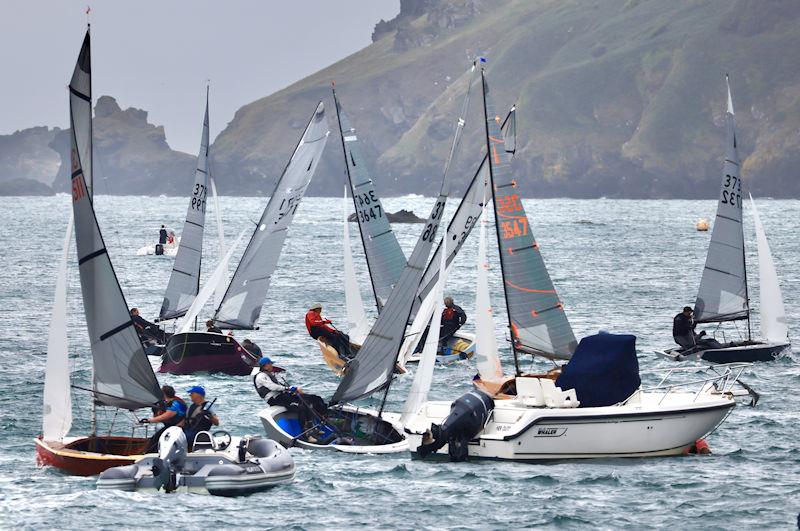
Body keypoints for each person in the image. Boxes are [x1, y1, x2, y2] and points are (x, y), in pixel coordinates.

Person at [253, 357, 327, 432]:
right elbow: (272, 387)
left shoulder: (269, 374)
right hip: (275, 399)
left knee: (313, 398)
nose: (272, 365)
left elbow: (280, 386)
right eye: (270, 364)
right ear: (266, 366)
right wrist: (287, 389)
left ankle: (322, 419)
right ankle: (306, 432)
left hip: (282, 395)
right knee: (301, 407)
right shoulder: (261, 376)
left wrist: (292, 389)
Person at [140, 385, 187, 452]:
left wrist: (148, 420)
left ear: (164, 394)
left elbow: (167, 416)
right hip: (170, 427)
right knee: (154, 439)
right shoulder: (166, 402)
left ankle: (150, 454)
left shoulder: (176, 403)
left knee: (157, 440)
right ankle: (147, 452)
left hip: (177, 429)